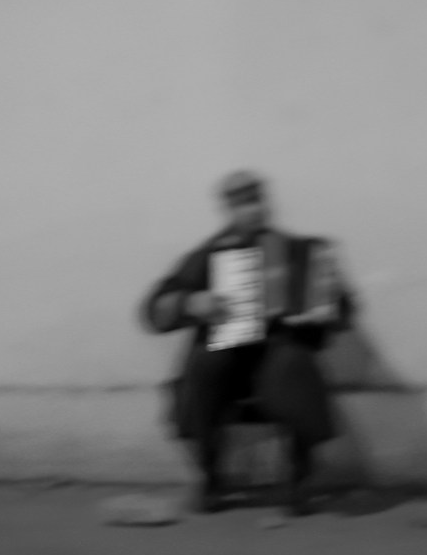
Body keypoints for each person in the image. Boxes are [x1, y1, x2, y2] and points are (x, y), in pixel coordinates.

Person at [138, 170, 355, 516]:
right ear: (227, 210)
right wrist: (191, 303)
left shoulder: (300, 251)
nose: (252, 209)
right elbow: (152, 311)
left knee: (292, 364)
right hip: (228, 358)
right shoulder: (208, 256)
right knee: (205, 364)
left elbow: (344, 311)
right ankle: (210, 475)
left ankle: (298, 476)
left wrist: (327, 306)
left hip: (278, 353)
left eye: (256, 200)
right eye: (242, 203)